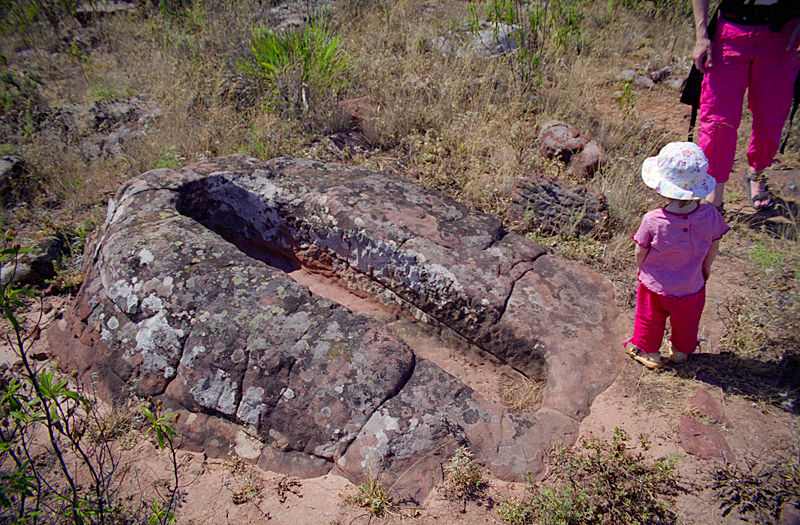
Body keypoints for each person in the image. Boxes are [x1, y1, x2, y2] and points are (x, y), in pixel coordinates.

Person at [626, 142, 730, 369]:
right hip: (691, 284)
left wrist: (640, 268)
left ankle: (649, 352)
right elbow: (714, 245)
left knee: (649, 318)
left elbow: (640, 249)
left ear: (661, 186)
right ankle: (681, 352)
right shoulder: (711, 215)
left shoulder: (652, 219)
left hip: (655, 285)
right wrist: (706, 268)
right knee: (687, 321)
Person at [692, 0, 800, 211]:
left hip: (782, 33)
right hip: (733, 31)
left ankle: (756, 172)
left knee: (771, 116)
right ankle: (715, 193)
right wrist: (702, 34)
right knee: (718, 119)